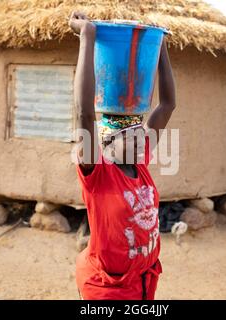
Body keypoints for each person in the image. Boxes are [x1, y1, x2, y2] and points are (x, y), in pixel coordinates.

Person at [70, 12, 176, 300]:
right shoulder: (99, 174)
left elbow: (167, 105)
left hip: (142, 281)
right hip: (108, 289)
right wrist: (87, 37)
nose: (142, 140)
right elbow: (84, 113)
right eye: (130, 137)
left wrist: (159, 48)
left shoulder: (138, 163)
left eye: (140, 134)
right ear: (106, 145)